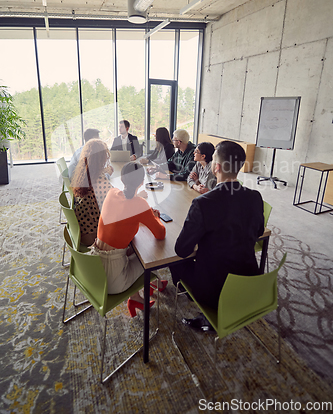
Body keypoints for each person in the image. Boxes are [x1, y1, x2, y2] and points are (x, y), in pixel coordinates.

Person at [170, 140, 264, 330]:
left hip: (215, 291)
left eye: (213, 159)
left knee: (173, 260)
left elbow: (181, 249)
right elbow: (259, 232)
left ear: (216, 167)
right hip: (249, 283)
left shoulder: (203, 203)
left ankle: (199, 305)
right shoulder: (255, 197)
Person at [90, 162, 167, 317]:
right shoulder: (140, 205)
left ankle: (138, 296)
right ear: (141, 182)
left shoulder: (112, 193)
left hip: (94, 268)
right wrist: (154, 217)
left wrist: (144, 211)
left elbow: (125, 208)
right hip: (114, 280)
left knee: (135, 247)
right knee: (149, 256)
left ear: (122, 179)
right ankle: (153, 283)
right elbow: (160, 233)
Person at [71, 139, 114, 246]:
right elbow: (117, 203)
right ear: (101, 160)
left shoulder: (83, 174)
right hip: (93, 236)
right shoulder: (100, 181)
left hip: (82, 231)